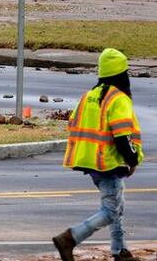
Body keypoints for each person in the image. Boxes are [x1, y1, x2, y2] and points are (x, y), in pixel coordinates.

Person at [53, 48, 144, 261]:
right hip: (109, 163)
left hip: (91, 162)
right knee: (111, 211)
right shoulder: (118, 98)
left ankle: (120, 251)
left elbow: (74, 124)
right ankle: (70, 238)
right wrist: (132, 160)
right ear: (121, 74)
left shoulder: (90, 95)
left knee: (117, 206)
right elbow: (123, 137)